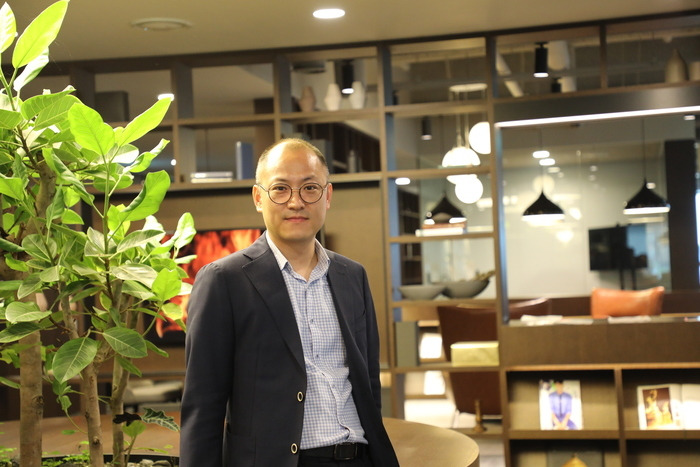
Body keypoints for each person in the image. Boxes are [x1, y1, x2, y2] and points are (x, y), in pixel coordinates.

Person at [180, 138, 399, 467]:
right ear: (258, 198)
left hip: (359, 457)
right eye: (280, 189)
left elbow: (368, 384)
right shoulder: (224, 280)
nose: (296, 202)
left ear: (327, 196)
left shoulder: (352, 275)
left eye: (310, 188)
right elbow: (203, 405)